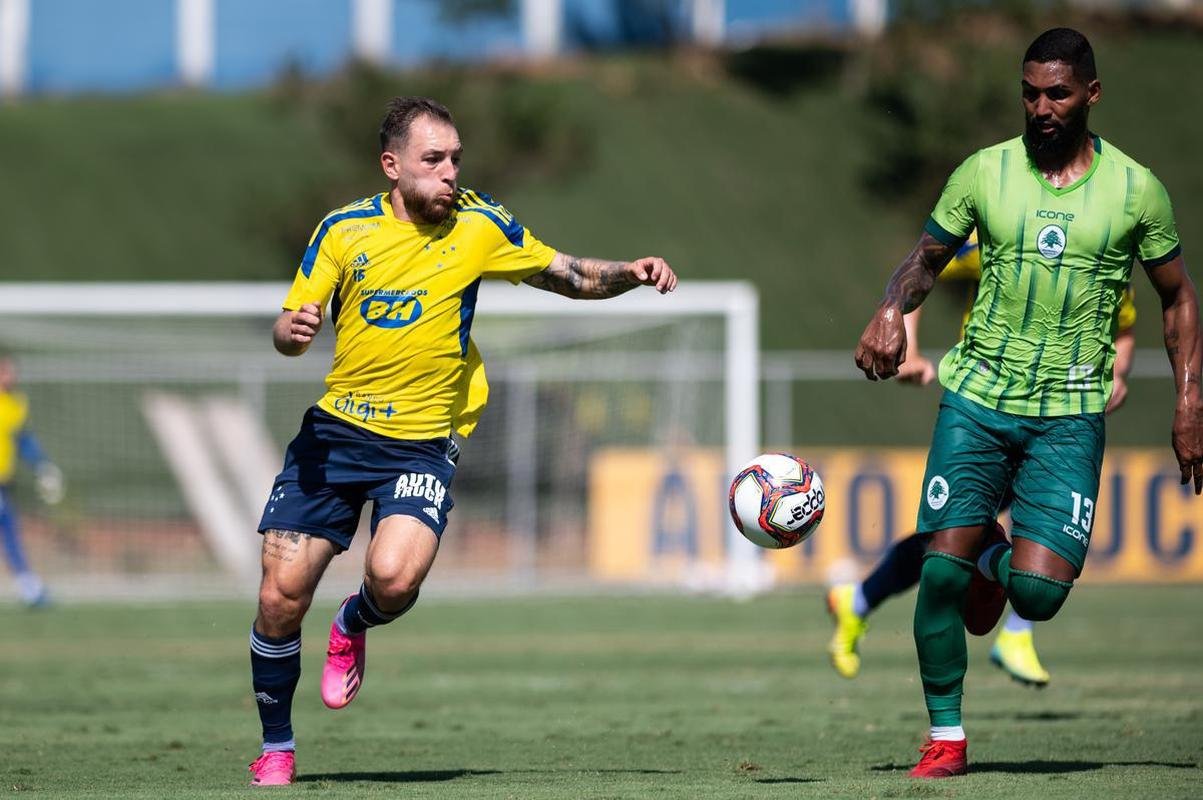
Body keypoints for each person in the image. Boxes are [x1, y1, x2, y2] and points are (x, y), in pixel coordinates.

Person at [246, 96, 678, 787]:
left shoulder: (480, 224)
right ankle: (277, 747)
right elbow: (290, 324)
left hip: (421, 444)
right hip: (335, 436)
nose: (450, 172)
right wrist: (290, 335)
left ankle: (353, 621)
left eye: (455, 158)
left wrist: (630, 271)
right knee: (279, 597)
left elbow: (564, 274)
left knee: (393, 580)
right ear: (392, 165)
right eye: (433, 159)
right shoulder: (343, 231)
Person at [853, 28, 1200, 779]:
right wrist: (889, 309)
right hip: (977, 398)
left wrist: (1188, 402)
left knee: (1037, 594)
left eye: (1057, 94)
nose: (1041, 108)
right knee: (939, 572)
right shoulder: (983, 171)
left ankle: (988, 558)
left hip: (1069, 415)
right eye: (1029, 93)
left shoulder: (1136, 190)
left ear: (1091, 95)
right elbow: (925, 261)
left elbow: (1176, 298)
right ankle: (946, 739)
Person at [829, 234, 1138, 686]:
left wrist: (1118, 374)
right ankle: (865, 603)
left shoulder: (1106, 251)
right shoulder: (1006, 232)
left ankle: (865, 602)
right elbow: (922, 271)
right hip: (988, 412)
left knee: (1001, 532)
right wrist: (908, 346)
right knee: (953, 536)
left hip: (1059, 421)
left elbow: (1123, 328)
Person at [0, 354, 64, 607]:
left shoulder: (15, 403)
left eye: (10, 371)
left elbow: (22, 439)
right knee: (8, 526)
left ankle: (30, 587)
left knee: (9, 529)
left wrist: (42, 466)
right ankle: (30, 588)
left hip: (4, 481)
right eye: (3, 371)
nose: (8, 376)